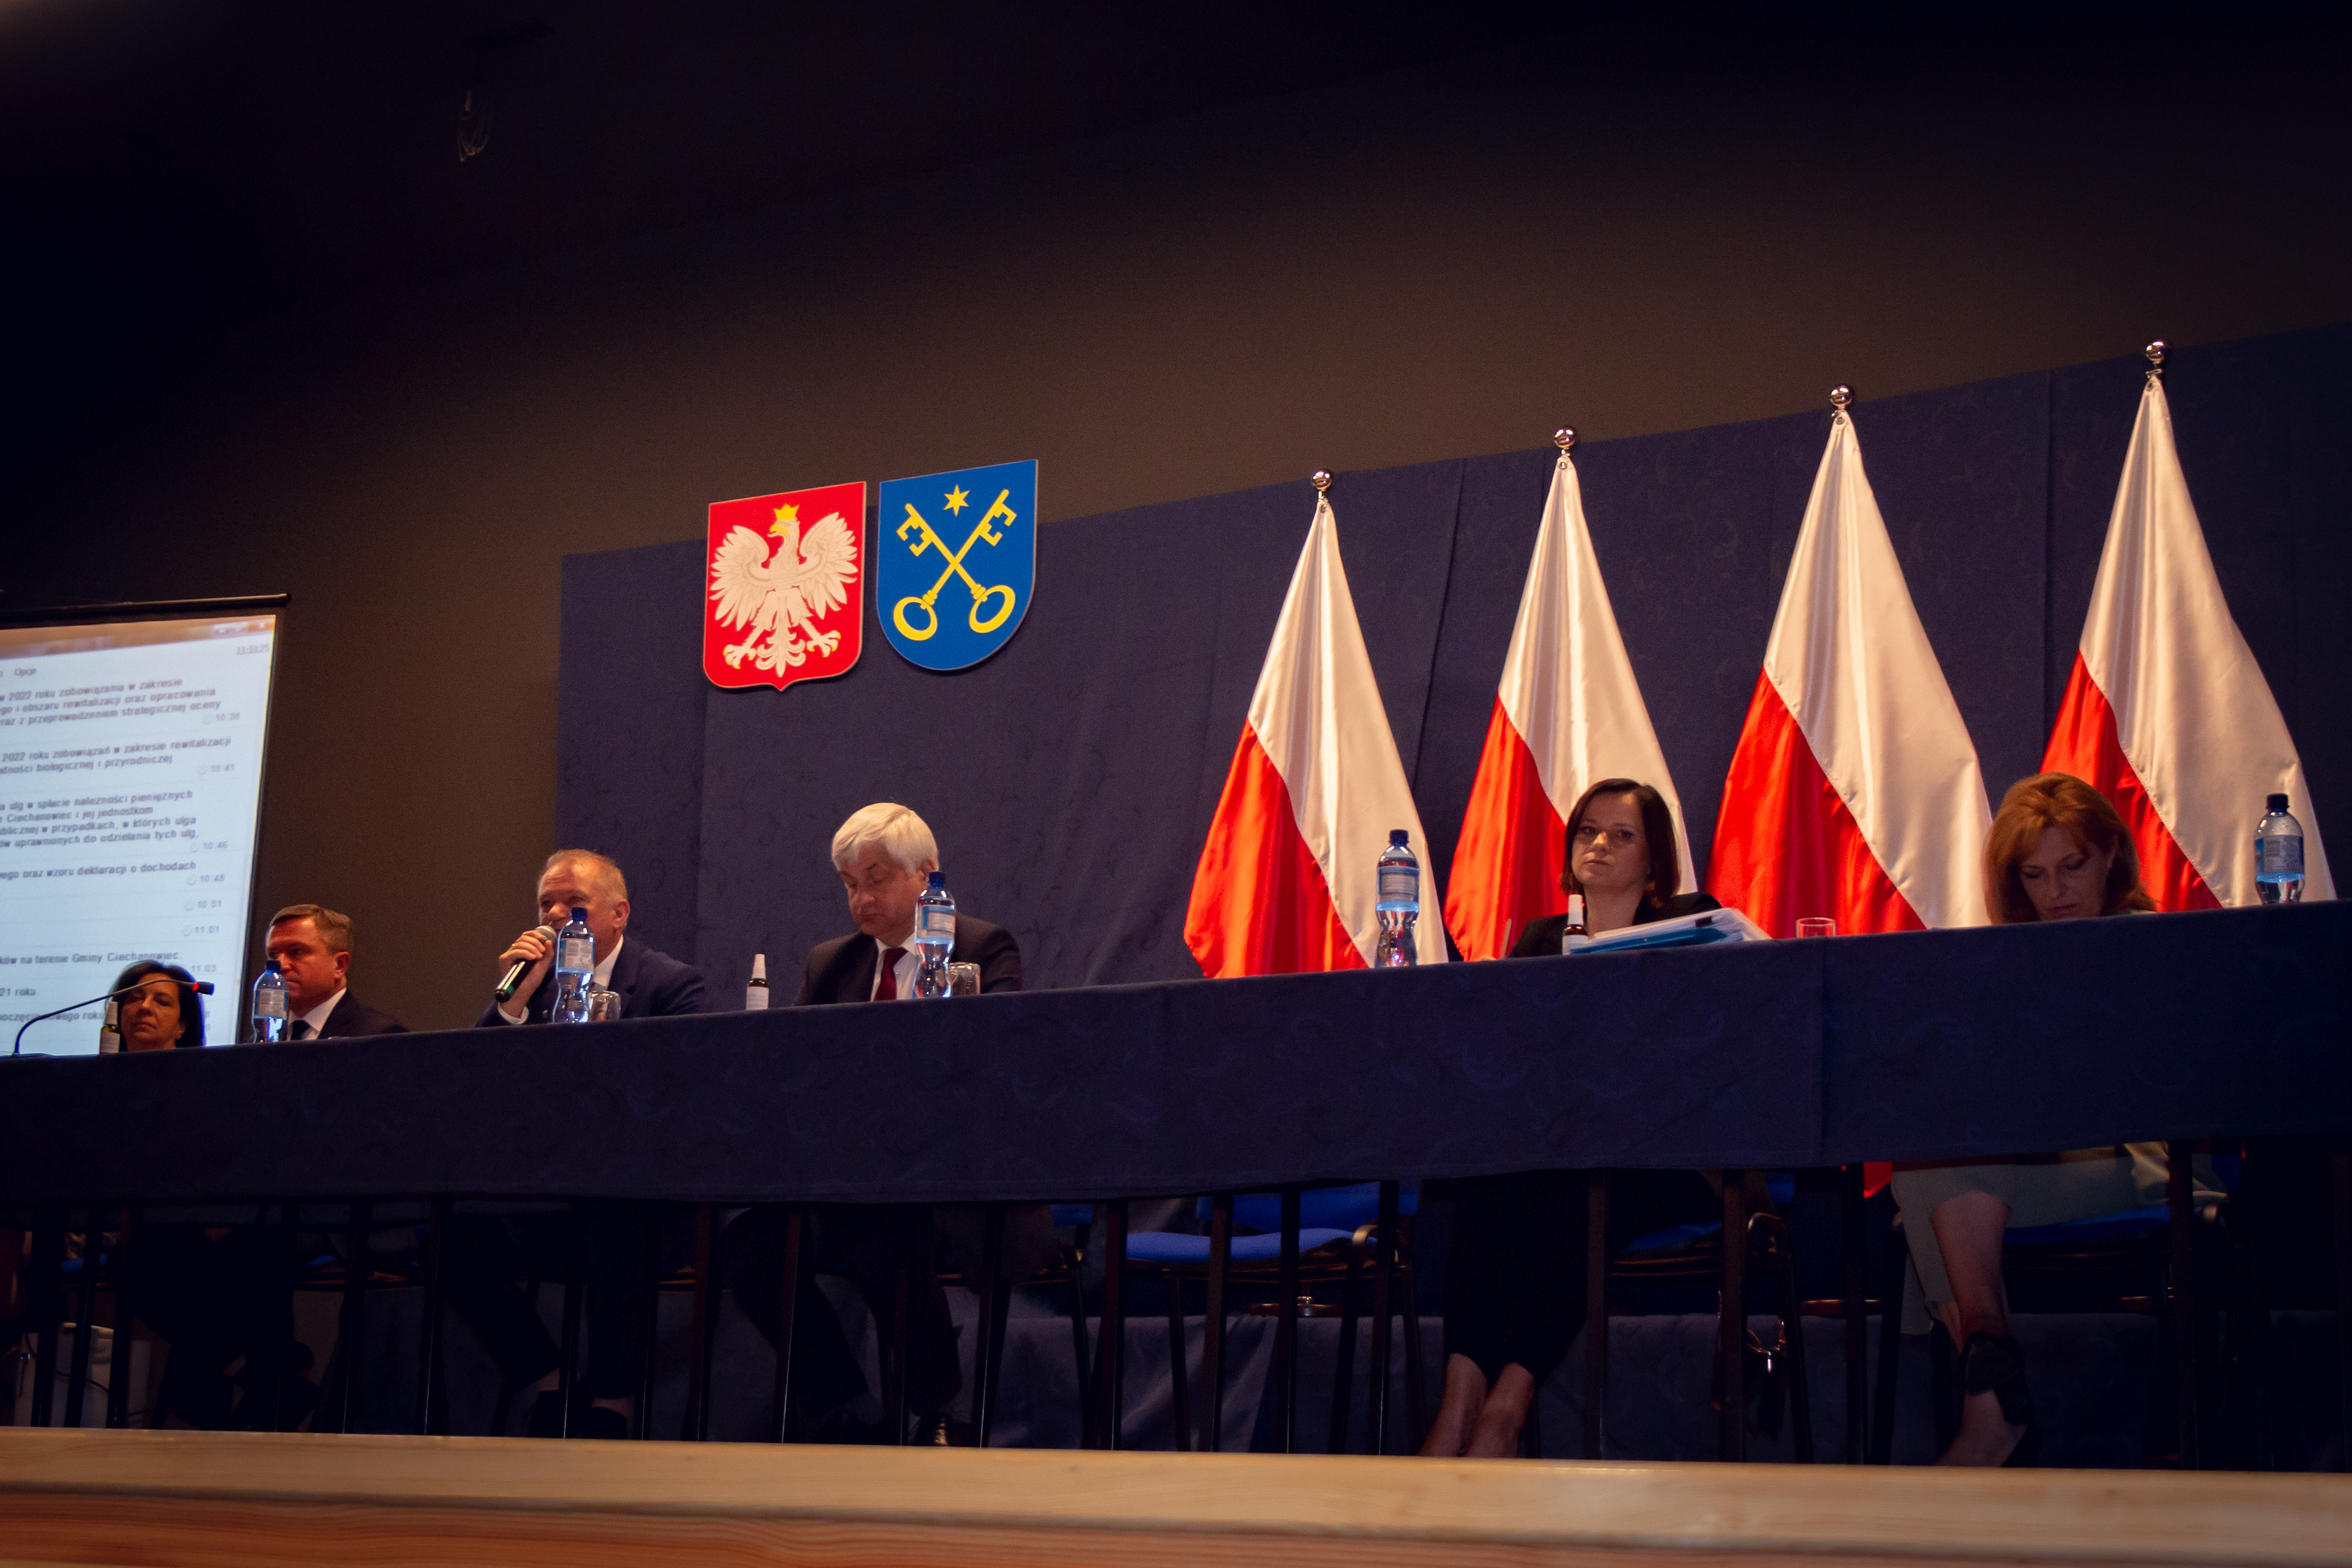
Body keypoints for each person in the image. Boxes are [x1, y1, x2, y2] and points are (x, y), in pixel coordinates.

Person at [1888, 772, 2186, 1468]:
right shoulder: (2006, 962)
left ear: (2110, 855)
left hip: (2137, 1162)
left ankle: (1990, 1401)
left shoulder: (2157, 945)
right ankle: (1991, 1373)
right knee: (1928, 1158)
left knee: (1936, 1179)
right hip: (2035, 1162)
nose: (2055, 890)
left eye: (2072, 865)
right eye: (2034, 874)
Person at [721, 802, 1042, 1444]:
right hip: (849, 1178)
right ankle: (846, 1405)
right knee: (749, 1244)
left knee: (874, 1220)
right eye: (849, 885)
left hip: (957, 1178)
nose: (861, 899)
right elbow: (796, 1074)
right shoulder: (831, 963)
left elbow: (997, 1069)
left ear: (926, 874)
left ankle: (942, 1406)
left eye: (876, 879)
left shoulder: (982, 948)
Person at [1422, 777, 1724, 1459]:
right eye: (1587, 830)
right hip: (1560, 1151)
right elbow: (1504, 1057)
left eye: (1622, 834)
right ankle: (1460, 1401)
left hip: (1670, 1163)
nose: (1599, 843)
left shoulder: (1693, 923)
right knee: (1488, 1179)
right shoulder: (1540, 938)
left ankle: (1508, 1406)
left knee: (1580, 1187)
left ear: (1655, 859)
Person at [445, 848, 708, 1438]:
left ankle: (611, 1403)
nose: (556, 915)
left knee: (612, 1218)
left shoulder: (669, 985)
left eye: (574, 903)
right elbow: (476, 1083)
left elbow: (686, 1093)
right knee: (444, 1232)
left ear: (619, 914)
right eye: (546, 904)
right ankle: (551, 1380)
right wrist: (514, 999)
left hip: (639, 1198)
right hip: (545, 1196)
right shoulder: (533, 985)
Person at [263, 904, 407, 1038]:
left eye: (297, 952)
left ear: (340, 965)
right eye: (274, 955)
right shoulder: (260, 1041)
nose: (281, 965)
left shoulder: (379, 1036)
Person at [110, 961, 205, 1051]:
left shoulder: (203, 1063)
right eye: (136, 998)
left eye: (162, 1002)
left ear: (181, 1027)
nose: (145, 1006)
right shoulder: (104, 1063)